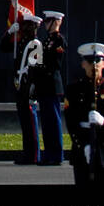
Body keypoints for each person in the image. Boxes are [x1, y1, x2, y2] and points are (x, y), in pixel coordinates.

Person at [64, 42, 104, 187]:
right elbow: (71, 122)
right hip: (83, 152)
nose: (94, 65)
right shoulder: (73, 89)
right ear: (83, 64)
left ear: (103, 64)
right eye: (89, 61)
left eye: (98, 61)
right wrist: (83, 145)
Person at [0, 13, 44, 165]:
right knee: (25, 122)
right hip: (20, 85)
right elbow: (3, 46)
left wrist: (31, 89)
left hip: (28, 87)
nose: (24, 28)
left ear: (34, 27)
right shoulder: (22, 42)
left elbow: (35, 69)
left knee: (30, 123)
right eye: (23, 25)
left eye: (27, 26)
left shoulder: (35, 44)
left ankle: (33, 156)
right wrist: (10, 32)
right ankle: (27, 153)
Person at [36, 10, 67, 165]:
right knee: (47, 122)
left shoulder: (59, 40)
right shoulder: (46, 40)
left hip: (52, 85)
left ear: (56, 22)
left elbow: (55, 63)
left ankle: (56, 154)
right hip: (44, 85)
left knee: (54, 121)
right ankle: (48, 153)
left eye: (48, 22)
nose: (45, 24)